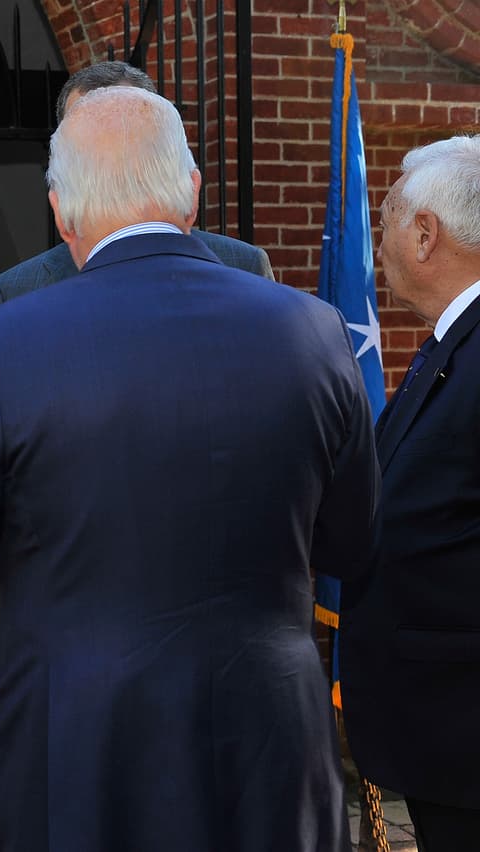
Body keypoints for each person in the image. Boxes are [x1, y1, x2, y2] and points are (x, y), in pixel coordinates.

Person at [0, 87, 378, 852]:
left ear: (62, 212)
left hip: (84, 751)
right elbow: (352, 547)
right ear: (192, 192)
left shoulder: (5, 344)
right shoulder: (312, 331)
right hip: (270, 747)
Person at [340, 136, 480, 850]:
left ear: (426, 234)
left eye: (389, 213)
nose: (379, 236)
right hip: (442, 734)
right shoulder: (453, 343)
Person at [0, 60, 273, 311]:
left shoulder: (242, 264)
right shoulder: (16, 289)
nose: (115, 152)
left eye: (131, 128)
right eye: (91, 133)